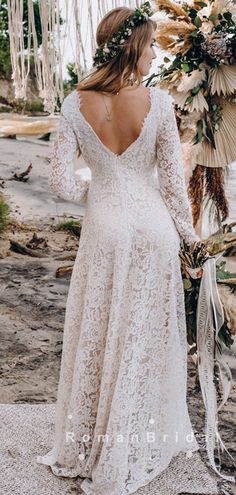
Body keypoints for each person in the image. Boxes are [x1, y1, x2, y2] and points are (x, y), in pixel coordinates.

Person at [36, 3, 227, 494]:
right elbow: (170, 186)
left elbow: (58, 180)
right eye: (150, 48)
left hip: (105, 227)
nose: (153, 58)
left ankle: (86, 447)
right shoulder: (158, 104)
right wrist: (191, 240)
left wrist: (98, 192)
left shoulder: (73, 103)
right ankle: (129, 444)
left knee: (100, 332)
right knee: (141, 337)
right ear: (134, 47)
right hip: (152, 229)